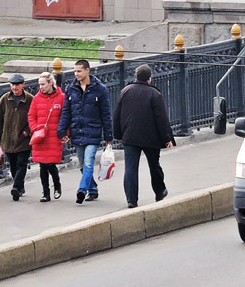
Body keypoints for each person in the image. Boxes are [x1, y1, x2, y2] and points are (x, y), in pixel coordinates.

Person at [113, 64, 175, 209]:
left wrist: (118, 135)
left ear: (136, 76)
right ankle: (160, 191)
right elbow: (161, 118)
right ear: (149, 78)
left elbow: (116, 115)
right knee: (154, 165)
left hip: (129, 137)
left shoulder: (125, 91)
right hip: (150, 138)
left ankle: (131, 200)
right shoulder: (154, 93)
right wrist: (167, 138)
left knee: (130, 168)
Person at [58, 58, 112, 204]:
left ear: (87, 70)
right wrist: (61, 130)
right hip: (77, 131)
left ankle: (82, 190)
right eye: (75, 71)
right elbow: (66, 112)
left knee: (88, 162)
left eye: (79, 71)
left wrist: (108, 135)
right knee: (83, 165)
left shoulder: (100, 89)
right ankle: (93, 189)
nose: (76, 74)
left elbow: (106, 114)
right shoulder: (71, 88)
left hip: (93, 132)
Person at [0, 74, 33, 201]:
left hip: (23, 139)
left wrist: (28, 131)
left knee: (22, 163)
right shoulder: (4, 99)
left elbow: (34, 118)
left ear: (23, 84)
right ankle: (20, 186)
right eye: (12, 84)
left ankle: (15, 187)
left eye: (17, 84)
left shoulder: (30, 99)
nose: (15, 87)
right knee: (13, 164)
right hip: (8, 138)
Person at [27, 72, 65, 202]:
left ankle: (57, 185)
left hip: (54, 136)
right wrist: (35, 128)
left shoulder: (61, 98)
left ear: (51, 83)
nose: (41, 87)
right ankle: (45, 192)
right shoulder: (37, 99)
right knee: (42, 165)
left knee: (50, 164)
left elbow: (65, 117)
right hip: (41, 137)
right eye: (39, 84)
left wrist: (65, 133)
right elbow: (31, 116)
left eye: (43, 84)